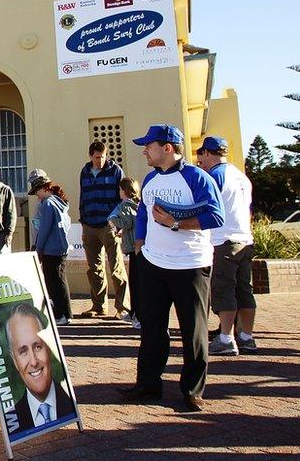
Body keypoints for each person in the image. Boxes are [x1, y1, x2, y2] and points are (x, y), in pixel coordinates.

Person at [118, 124, 224, 412]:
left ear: (167, 147)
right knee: (152, 327)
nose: (144, 151)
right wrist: (140, 242)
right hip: (153, 263)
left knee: (193, 330)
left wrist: (175, 223)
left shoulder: (197, 177)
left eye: (149, 146)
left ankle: (192, 391)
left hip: (191, 265)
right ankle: (148, 384)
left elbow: (216, 215)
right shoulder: (150, 179)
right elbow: (142, 213)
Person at [195, 136, 256, 355]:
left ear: (207, 153)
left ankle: (226, 338)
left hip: (223, 240)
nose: (199, 159)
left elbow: (206, 207)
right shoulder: (240, 176)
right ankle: (247, 337)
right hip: (245, 239)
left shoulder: (214, 176)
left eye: (201, 154)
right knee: (244, 289)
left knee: (224, 289)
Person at [5, 301, 77, 431]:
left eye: (38, 347)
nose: (33, 362)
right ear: (14, 360)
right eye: (23, 351)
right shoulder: (12, 420)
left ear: (48, 347)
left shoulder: (69, 403)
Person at [78, 141, 129, 319]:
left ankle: (123, 307)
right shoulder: (84, 172)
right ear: (91, 155)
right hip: (89, 225)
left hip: (109, 226)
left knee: (116, 267)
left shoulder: (115, 171)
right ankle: (99, 306)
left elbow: (123, 198)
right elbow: (82, 197)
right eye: (98, 157)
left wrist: (119, 223)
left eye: (104, 156)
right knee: (94, 268)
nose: (101, 160)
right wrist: (83, 221)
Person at [28, 169, 72, 326]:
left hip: (51, 250)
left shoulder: (47, 204)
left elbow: (44, 230)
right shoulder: (58, 201)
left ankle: (62, 314)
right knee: (60, 281)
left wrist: (37, 249)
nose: (36, 195)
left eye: (37, 191)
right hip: (60, 248)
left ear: (43, 188)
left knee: (55, 283)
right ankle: (65, 313)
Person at [108, 178, 142, 329]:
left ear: (124, 191)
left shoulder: (125, 205)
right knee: (137, 281)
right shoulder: (138, 204)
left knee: (135, 283)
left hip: (134, 247)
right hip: (139, 245)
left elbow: (126, 223)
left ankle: (137, 314)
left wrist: (113, 221)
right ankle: (135, 312)